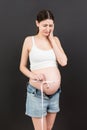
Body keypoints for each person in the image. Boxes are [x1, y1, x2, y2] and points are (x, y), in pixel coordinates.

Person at [19, 9, 68, 130]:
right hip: (37, 93)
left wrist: (51, 39)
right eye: (44, 25)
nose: (48, 29)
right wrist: (32, 75)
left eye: (51, 25)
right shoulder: (29, 41)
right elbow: (22, 66)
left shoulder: (55, 40)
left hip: (55, 94)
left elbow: (63, 62)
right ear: (37, 23)